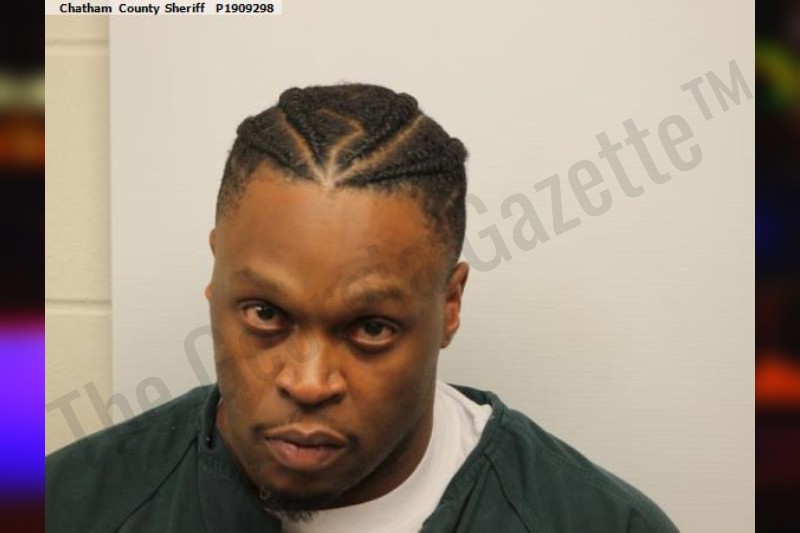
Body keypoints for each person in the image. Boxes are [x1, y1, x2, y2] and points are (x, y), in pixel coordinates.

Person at [46, 83, 679, 532]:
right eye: (265, 314)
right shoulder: (69, 508)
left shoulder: (597, 523)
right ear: (216, 279)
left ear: (449, 305)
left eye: (371, 328)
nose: (308, 383)